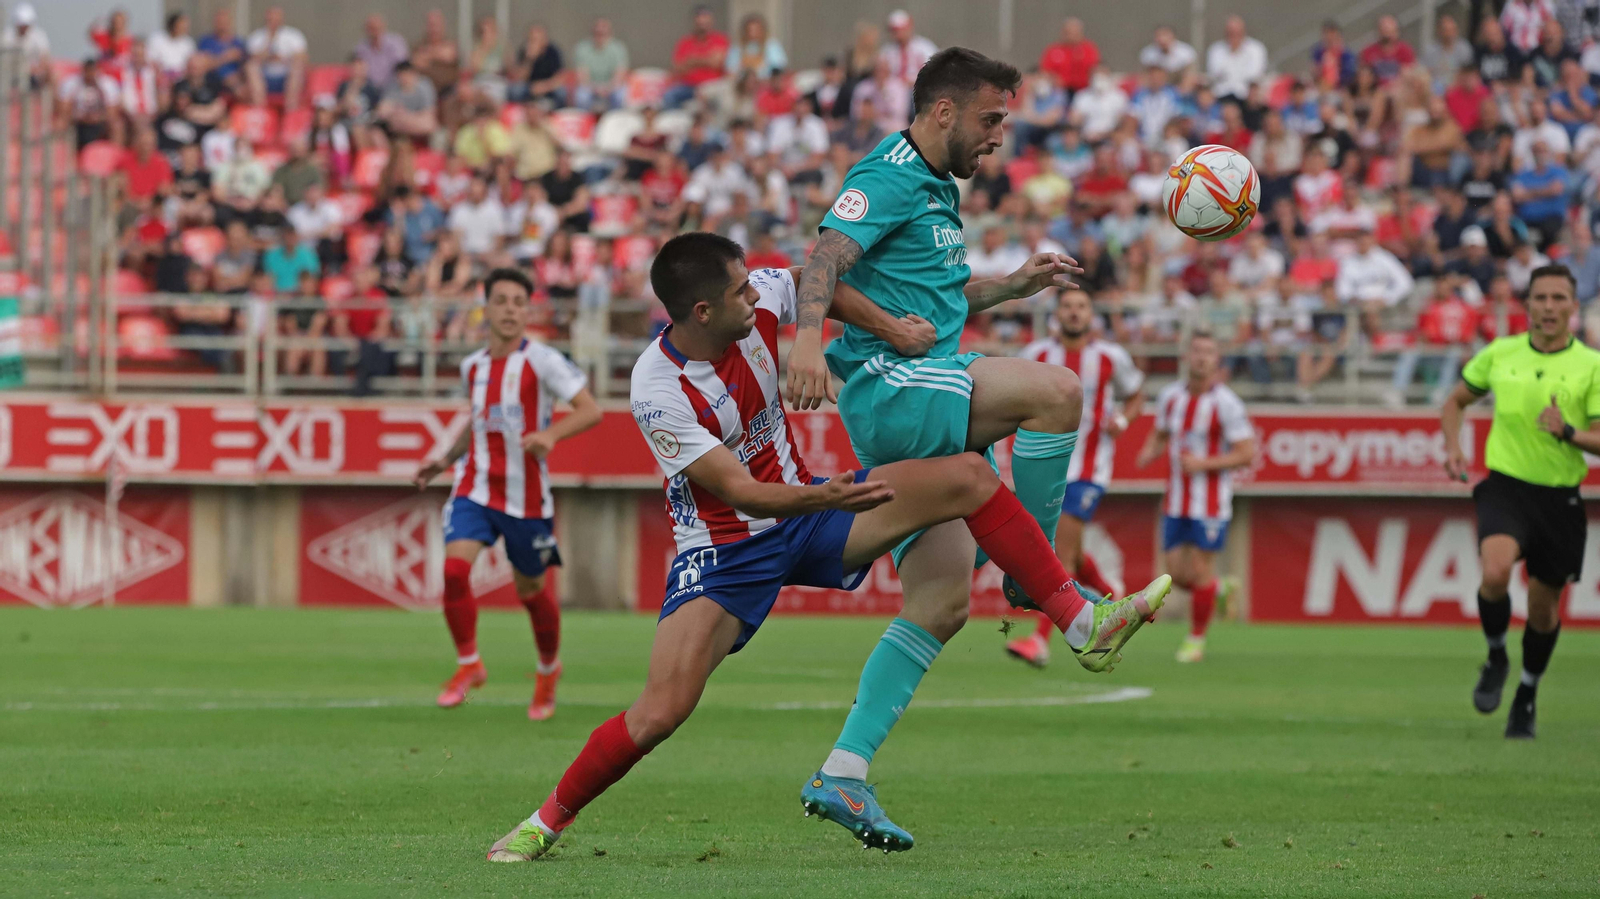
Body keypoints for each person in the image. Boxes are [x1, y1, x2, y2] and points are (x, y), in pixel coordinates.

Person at [482, 232, 1168, 862]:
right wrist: (827, 496)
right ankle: (545, 820)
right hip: (727, 554)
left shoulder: (757, 305)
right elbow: (742, 493)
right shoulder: (657, 390)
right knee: (661, 710)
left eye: (752, 285)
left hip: (811, 513)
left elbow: (822, 282)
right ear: (698, 311)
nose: (757, 296)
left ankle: (1077, 619)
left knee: (968, 476)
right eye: (740, 294)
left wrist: (890, 326)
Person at [785, 47, 1171, 850]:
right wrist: (807, 345)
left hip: (923, 373)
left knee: (942, 604)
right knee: (1056, 391)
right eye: (992, 119)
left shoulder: (933, 190)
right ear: (944, 112)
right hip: (893, 386)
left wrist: (1014, 285)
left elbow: (932, 295)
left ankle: (843, 773)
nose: (1000, 135)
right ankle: (1055, 596)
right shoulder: (888, 172)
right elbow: (819, 260)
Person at [412, 268, 604, 718]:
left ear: (527, 309)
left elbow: (590, 410)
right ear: (487, 308)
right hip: (475, 486)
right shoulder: (472, 366)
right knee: (456, 571)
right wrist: (442, 460)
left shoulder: (543, 361)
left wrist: (551, 435)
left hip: (527, 499)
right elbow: (477, 421)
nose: (511, 309)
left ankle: (547, 672)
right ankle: (469, 666)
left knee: (532, 592)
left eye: (520, 301)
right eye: (502, 300)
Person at [1442, 264, 1600, 739]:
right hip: (1506, 486)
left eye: (1558, 299)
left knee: (1543, 612)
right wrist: (1453, 447)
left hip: (1560, 499)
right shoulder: (1501, 353)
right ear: (1526, 304)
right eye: (1541, 298)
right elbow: (1455, 402)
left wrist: (1569, 433)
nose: (1549, 307)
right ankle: (1495, 654)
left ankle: (1527, 694)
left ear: (1573, 306)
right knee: (1494, 572)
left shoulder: (1590, 366)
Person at [1005, 289, 1145, 666]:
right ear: (1056, 315)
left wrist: (1124, 419)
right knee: (1070, 550)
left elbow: (1135, 394)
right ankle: (1110, 590)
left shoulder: (1110, 357)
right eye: (1067, 306)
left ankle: (1040, 640)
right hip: (1045, 468)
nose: (1074, 313)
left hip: (1089, 469)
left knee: (1057, 553)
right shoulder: (1036, 355)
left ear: (1091, 316)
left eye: (1081, 307)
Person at [1135, 331, 1257, 663]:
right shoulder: (1171, 396)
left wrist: (1204, 463)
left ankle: (1195, 640)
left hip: (1211, 503)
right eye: (1197, 351)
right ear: (1187, 357)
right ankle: (1219, 589)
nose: (1202, 357)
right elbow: (1161, 433)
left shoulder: (1226, 403)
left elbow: (1247, 454)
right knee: (1176, 574)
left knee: (1201, 570)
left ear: (1217, 361)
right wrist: (1149, 451)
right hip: (1176, 500)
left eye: (1209, 352)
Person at [245, 6, 307, 109]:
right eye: (271, 19)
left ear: (282, 19)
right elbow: (251, 57)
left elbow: (303, 57)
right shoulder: (256, 37)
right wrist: (269, 44)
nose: (273, 21)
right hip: (265, 79)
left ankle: (291, 109)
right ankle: (260, 108)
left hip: (286, 78)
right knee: (250, 66)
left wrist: (283, 58)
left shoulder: (293, 35)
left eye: (276, 18)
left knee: (298, 66)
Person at [1206, 15, 1267, 102]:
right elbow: (1214, 75)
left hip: (1246, 97)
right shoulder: (1215, 50)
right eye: (1231, 33)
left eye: (1237, 33)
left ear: (1244, 32)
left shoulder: (1256, 49)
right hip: (1221, 96)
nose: (1234, 37)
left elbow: (1255, 76)